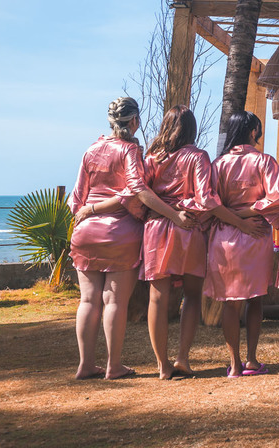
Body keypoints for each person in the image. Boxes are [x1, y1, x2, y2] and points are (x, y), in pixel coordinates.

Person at [70, 96, 192, 381]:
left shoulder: (91, 150)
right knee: (114, 301)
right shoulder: (130, 151)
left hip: (85, 230)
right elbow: (135, 191)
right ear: (135, 121)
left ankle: (85, 365)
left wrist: (85, 216)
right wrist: (174, 216)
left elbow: (77, 197)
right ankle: (113, 366)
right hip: (119, 233)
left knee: (87, 300)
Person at [141, 105, 259, 380]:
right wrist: (237, 220)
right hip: (189, 228)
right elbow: (206, 198)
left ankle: (162, 365)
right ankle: (183, 357)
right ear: (192, 129)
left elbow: (140, 193)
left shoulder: (152, 158)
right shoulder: (198, 157)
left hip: (156, 228)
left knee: (157, 297)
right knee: (191, 295)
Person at [208, 111, 279, 378]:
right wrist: (249, 212)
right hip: (256, 233)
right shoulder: (264, 161)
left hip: (224, 237)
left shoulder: (218, 165)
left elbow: (209, 203)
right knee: (256, 299)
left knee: (231, 303)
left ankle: (233, 364)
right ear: (253, 131)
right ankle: (252, 360)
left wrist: (234, 215)